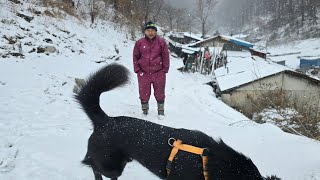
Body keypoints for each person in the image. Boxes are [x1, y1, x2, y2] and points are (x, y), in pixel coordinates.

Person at [133, 21, 170, 116]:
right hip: (143, 72)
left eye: (152, 30)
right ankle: (144, 110)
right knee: (144, 92)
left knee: (160, 92)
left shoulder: (161, 42)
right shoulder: (139, 43)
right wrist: (137, 70)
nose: (150, 32)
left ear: (155, 31)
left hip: (158, 72)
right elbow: (135, 56)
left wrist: (165, 69)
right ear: (145, 31)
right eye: (148, 30)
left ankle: (161, 110)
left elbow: (165, 55)